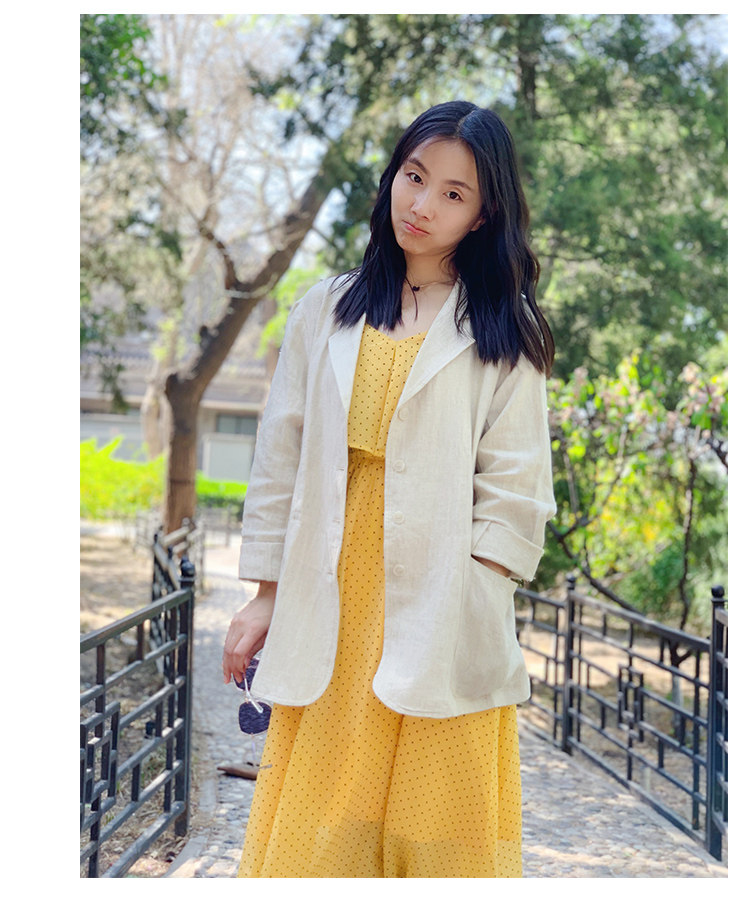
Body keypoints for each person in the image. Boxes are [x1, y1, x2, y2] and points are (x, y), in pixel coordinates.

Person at [222, 100, 556, 878]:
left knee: (438, 834)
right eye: (415, 176)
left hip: (446, 599)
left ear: (482, 215)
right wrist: (266, 593)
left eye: (453, 193)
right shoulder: (326, 309)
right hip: (332, 597)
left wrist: (476, 587)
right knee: (322, 831)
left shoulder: (504, 331)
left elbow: (516, 487)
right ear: (393, 176)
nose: (423, 203)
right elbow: (279, 457)